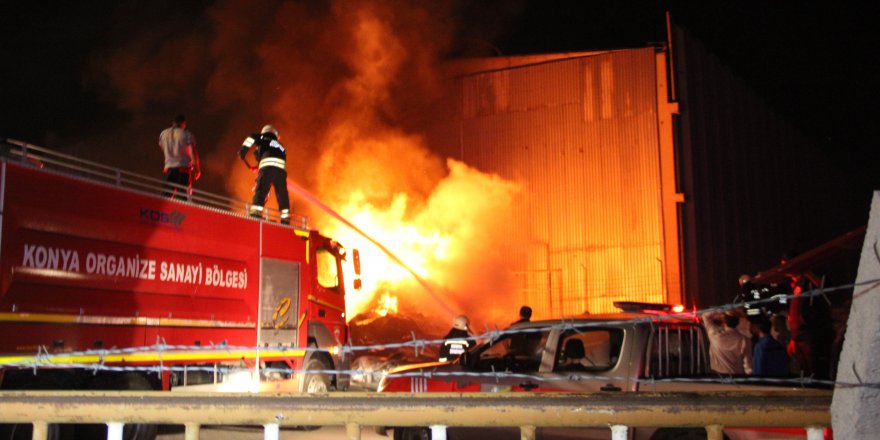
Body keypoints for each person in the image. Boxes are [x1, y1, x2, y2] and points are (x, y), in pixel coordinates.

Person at [238, 124, 290, 224]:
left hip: (267, 168)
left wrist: (242, 152)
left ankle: (255, 214)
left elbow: (251, 137)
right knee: (282, 194)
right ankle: (285, 219)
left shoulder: (263, 137)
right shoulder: (281, 146)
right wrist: (258, 167)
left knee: (261, 190)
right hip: (281, 171)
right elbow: (272, 156)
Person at [159, 114, 200, 199]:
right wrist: (196, 168)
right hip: (183, 169)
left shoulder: (163, 134)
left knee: (166, 196)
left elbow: (162, 147)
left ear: (173, 123)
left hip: (168, 169)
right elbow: (192, 151)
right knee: (184, 197)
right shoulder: (186, 134)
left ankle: (165, 212)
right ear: (183, 123)